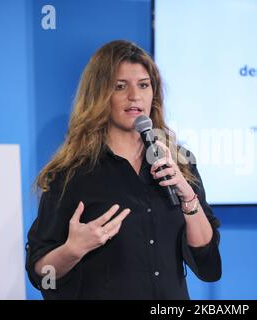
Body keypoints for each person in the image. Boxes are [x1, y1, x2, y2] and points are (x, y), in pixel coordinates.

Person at [25, 40, 221, 299]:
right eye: (120, 86)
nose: (134, 96)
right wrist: (73, 249)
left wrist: (188, 198)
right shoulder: (71, 173)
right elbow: (41, 273)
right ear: (99, 96)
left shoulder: (179, 163)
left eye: (143, 84)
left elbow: (208, 264)